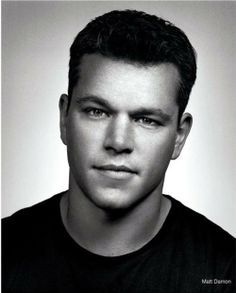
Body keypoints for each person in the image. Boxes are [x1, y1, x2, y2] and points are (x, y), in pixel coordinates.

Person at [2, 9, 235, 293]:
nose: (118, 141)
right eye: (97, 111)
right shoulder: (6, 252)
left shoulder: (224, 271)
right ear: (64, 118)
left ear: (179, 136)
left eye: (147, 120)